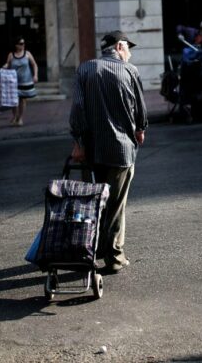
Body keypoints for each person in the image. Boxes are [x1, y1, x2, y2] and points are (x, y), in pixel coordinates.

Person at [69, 30, 148, 274]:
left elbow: (78, 109)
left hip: (93, 148)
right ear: (120, 47)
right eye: (129, 48)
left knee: (97, 202)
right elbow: (141, 111)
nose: (130, 53)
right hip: (121, 150)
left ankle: (96, 249)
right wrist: (140, 129)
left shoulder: (85, 69)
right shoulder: (129, 70)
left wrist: (79, 142)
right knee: (115, 204)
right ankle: (114, 257)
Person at [3, 36, 38, 126]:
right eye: (21, 44)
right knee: (14, 100)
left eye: (24, 43)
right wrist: (5, 66)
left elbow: (34, 64)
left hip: (25, 81)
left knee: (22, 99)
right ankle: (15, 116)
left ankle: (20, 118)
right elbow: (8, 64)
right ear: (16, 45)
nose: (23, 45)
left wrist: (35, 75)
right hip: (13, 81)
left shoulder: (27, 54)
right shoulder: (11, 55)